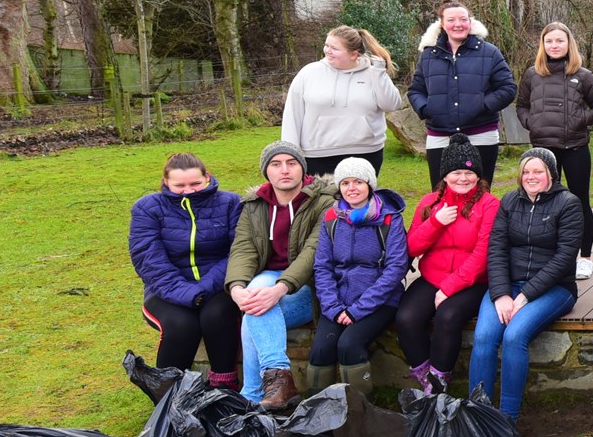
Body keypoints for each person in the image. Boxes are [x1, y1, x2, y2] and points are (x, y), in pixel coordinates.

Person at [468, 148, 582, 424]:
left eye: (538, 171)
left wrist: (525, 296)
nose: (531, 177)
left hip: (554, 289)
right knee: (483, 338)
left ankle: (508, 419)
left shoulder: (568, 204)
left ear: (551, 175)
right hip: (508, 287)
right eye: (526, 172)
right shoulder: (509, 201)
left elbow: (564, 258)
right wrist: (501, 293)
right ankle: (476, 416)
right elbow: (496, 249)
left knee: (514, 336)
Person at [225, 140, 332, 408]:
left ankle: (251, 394)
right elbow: (243, 249)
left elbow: (313, 252)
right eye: (276, 164)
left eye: (291, 163)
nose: (284, 170)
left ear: (302, 169)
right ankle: (276, 384)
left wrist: (280, 289)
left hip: (313, 285)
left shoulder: (325, 202)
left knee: (255, 311)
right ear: (267, 171)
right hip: (269, 280)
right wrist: (237, 288)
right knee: (254, 300)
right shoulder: (254, 205)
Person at [395, 135, 500, 394]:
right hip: (432, 277)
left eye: (469, 172)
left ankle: (440, 386)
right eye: (456, 172)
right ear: (445, 175)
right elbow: (412, 247)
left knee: (448, 316)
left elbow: (482, 254)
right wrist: (436, 222)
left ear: (478, 176)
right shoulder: (430, 203)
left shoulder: (490, 205)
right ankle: (426, 381)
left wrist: (450, 287)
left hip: (472, 281)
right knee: (406, 318)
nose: (463, 178)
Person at [128, 152, 243, 389]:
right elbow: (148, 259)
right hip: (164, 291)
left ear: (207, 177)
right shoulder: (147, 208)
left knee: (218, 316)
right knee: (182, 325)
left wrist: (203, 288)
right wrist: (186, 294)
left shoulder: (231, 203)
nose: (188, 191)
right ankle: (168, 397)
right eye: (179, 185)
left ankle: (223, 387)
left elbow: (238, 252)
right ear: (166, 182)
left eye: (195, 184)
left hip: (218, 287)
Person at [515, 21, 593, 280]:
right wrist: (531, 122)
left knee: (580, 202)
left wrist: (578, 119)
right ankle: (549, 256)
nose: (554, 45)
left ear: (569, 43)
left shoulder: (583, 75)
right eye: (549, 41)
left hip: (575, 148)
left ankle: (585, 257)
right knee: (544, 202)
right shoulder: (532, 75)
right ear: (543, 45)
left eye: (560, 41)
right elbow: (521, 106)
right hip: (543, 151)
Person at [308, 157, 409, 395]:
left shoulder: (389, 219)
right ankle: (314, 414)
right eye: (345, 183)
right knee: (321, 349)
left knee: (349, 344)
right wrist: (332, 307)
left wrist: (358, 310)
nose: (351, 188)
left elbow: (395, 268)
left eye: (358, 182)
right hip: (339, 300)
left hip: (379, 301)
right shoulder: (331, 219)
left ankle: (359, 413)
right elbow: (322, 266)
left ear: (370, 184)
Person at [407, 0, 517, 190]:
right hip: (439, 135)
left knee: (479, 193)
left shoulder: (490, 52)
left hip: (481, 133)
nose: (458, 24)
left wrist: (482, 105)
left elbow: (507, 88)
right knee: (441, 194)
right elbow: (416, 90)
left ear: (470, 22)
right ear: (442, 23)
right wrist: (427, 108)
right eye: (451, 20)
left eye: (463, 19)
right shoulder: (428, 55)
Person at [281, 25, 403, 176]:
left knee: (357, 199)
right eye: (326, 45)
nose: (327, 51)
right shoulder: (309, 73)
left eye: (334, 48)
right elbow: (293, 115)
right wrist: (289, 153)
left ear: (353, 55)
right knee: (320, 200)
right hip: (316, 155)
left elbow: (391, 105)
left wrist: (379, 73)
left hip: (366, 153)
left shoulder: (373, 73)